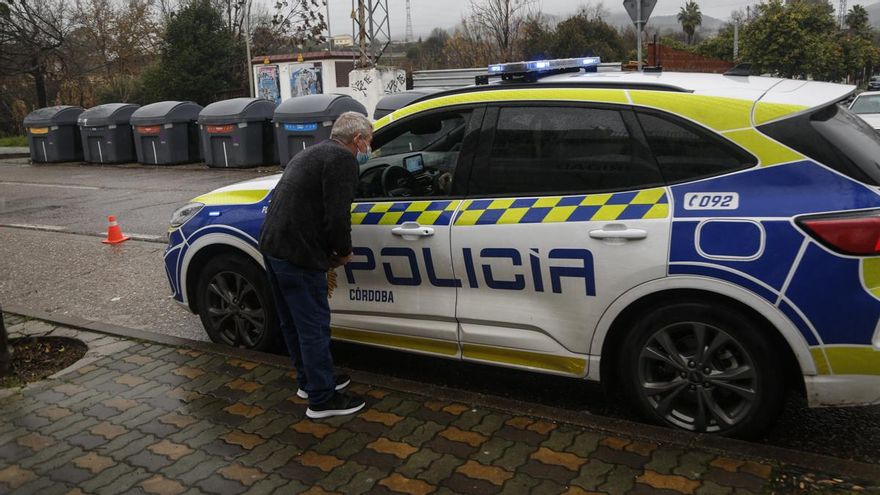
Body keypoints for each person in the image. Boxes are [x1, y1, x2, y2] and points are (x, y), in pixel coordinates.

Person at [260, 112, 373, 419]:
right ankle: (322, 400)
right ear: (358, 139)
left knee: (294, 323)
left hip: (274, 245)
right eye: (369, 141)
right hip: (299, 253)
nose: (369, 148)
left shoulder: (314, 151)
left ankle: (309, 382)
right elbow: (337, 215)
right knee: (313, 327)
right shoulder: (342, 159)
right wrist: (343, 251)